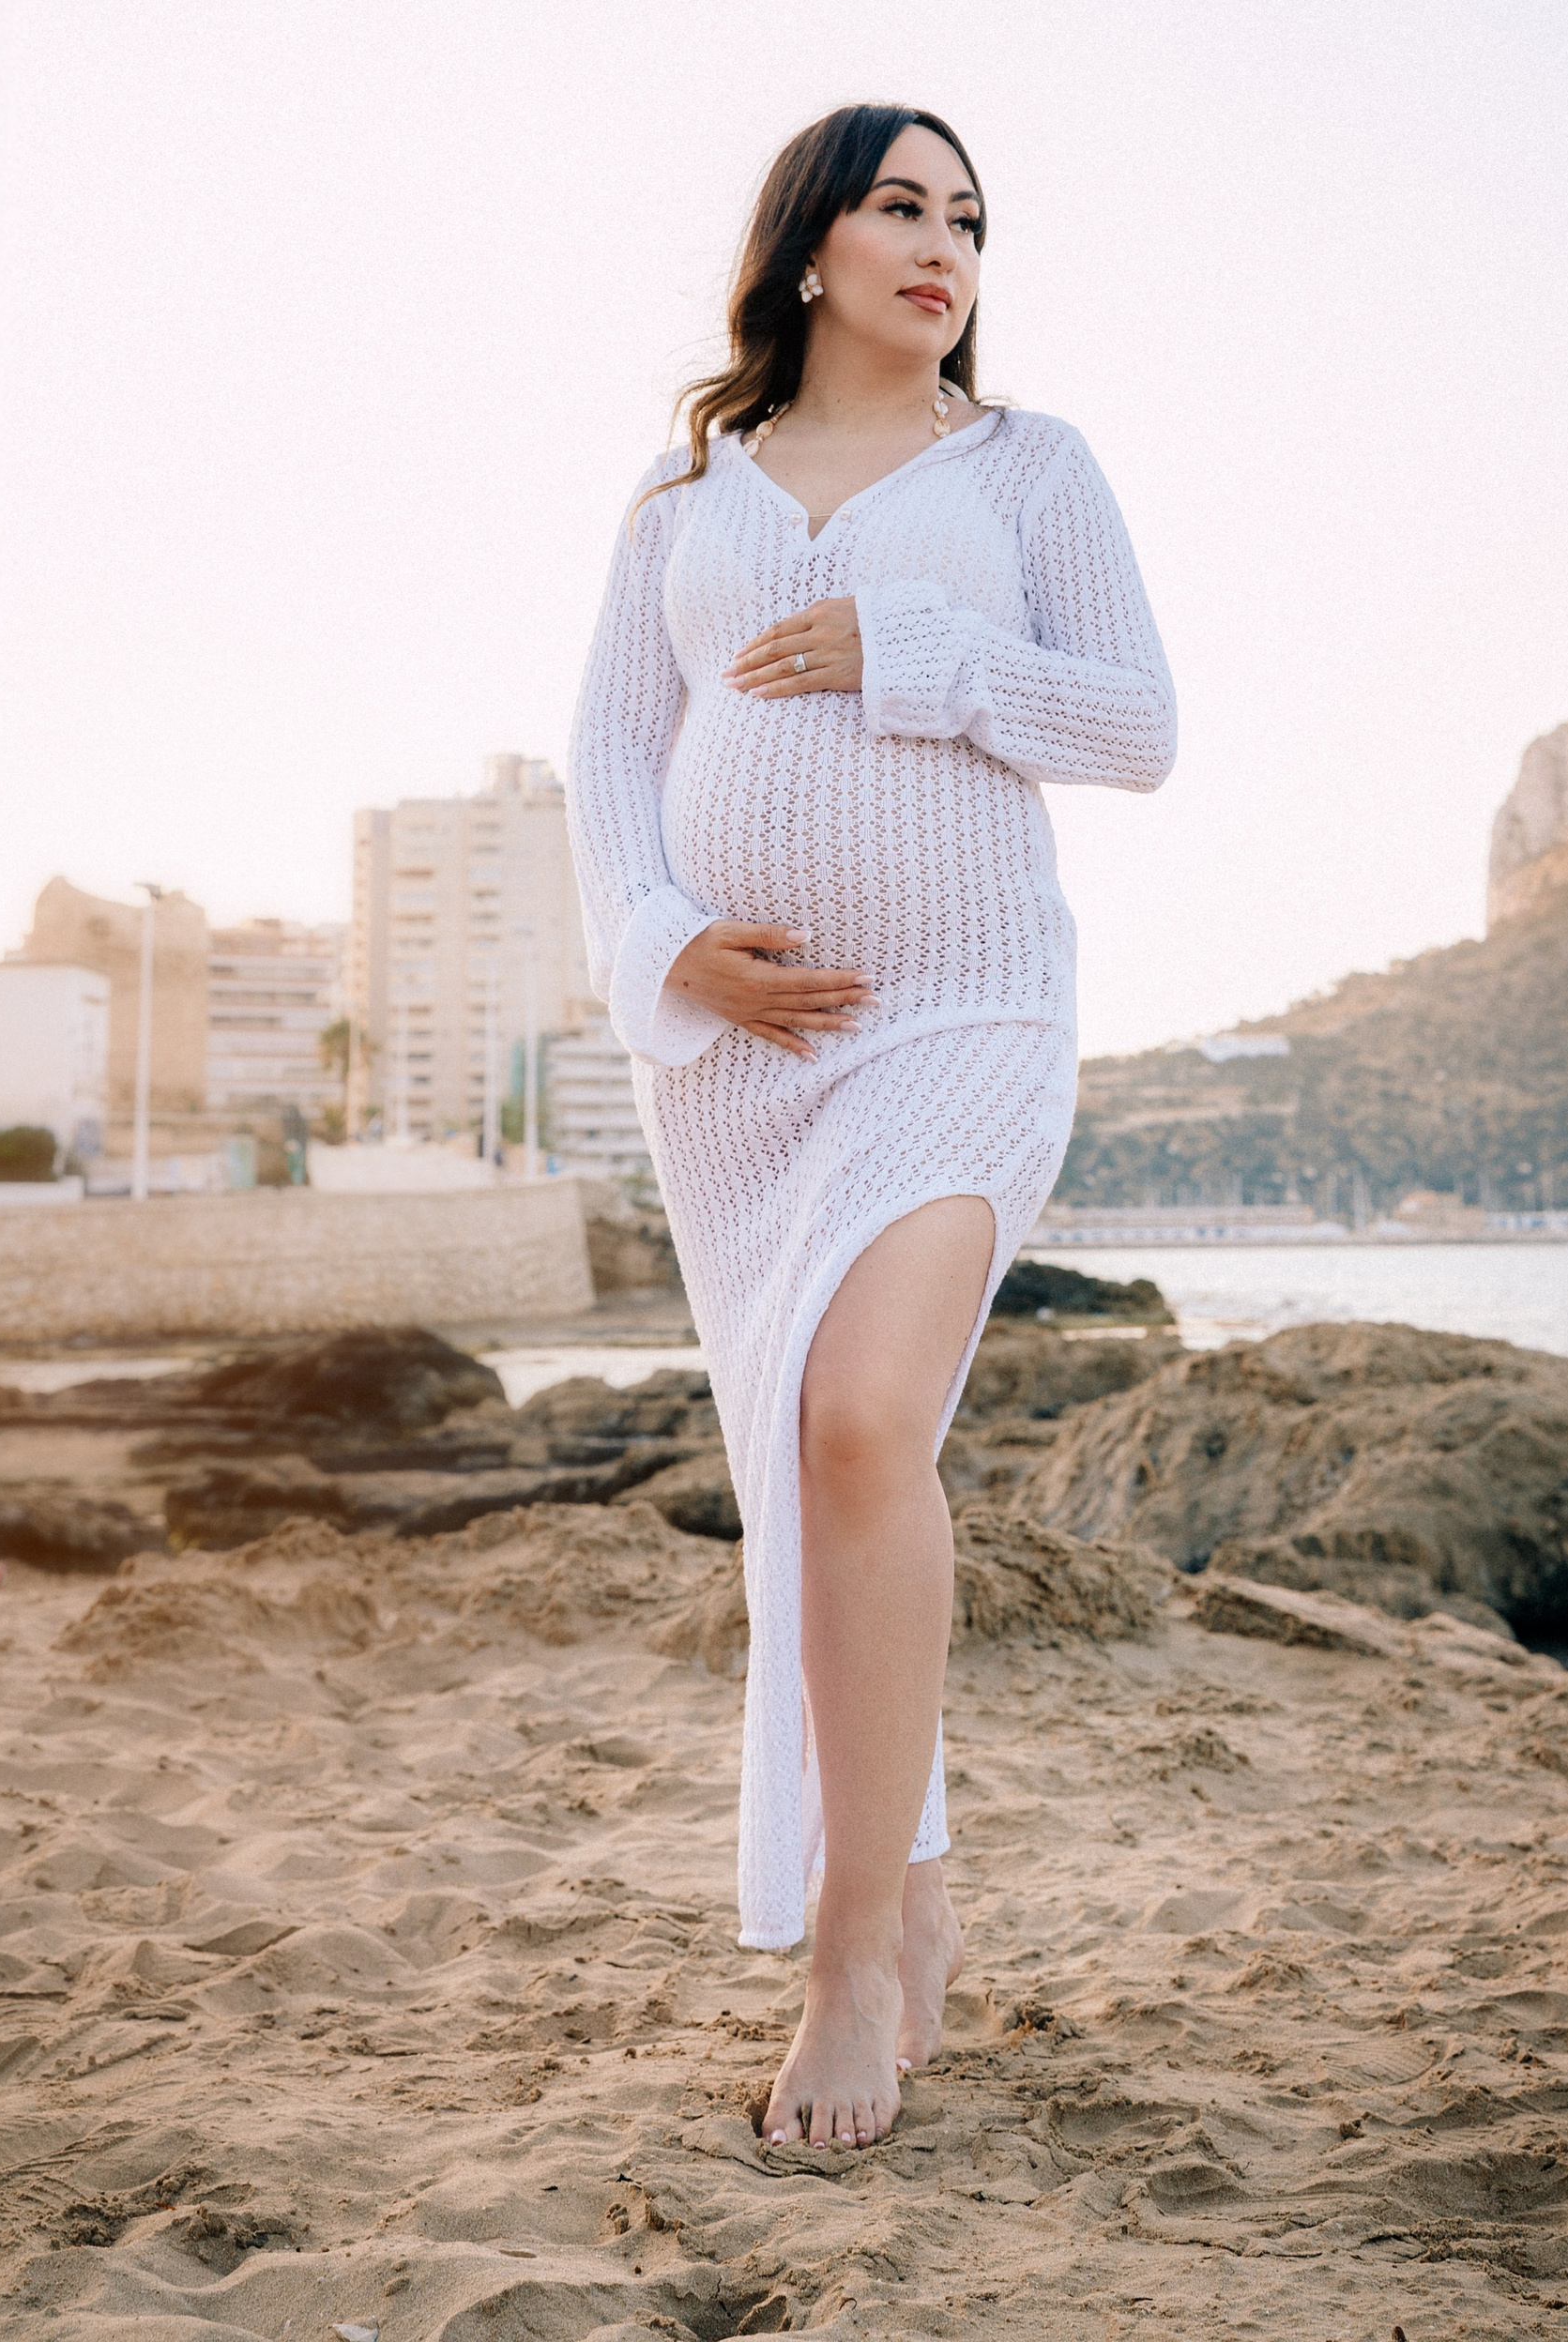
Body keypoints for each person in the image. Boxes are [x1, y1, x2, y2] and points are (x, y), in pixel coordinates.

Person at [566, 103, 1176, 2152]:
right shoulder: (684, 494)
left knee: (858, 1429)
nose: (943, 247)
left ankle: (845, 1952)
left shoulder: (1027, 467)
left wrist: (915, 653)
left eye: (972, 221)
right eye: (903, 207)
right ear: (811, 244)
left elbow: (1134, 723)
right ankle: (905, 1888)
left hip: (966, 1007)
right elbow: (608, 766)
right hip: (738, 1062)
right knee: (806, 1477)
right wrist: (673, 946)